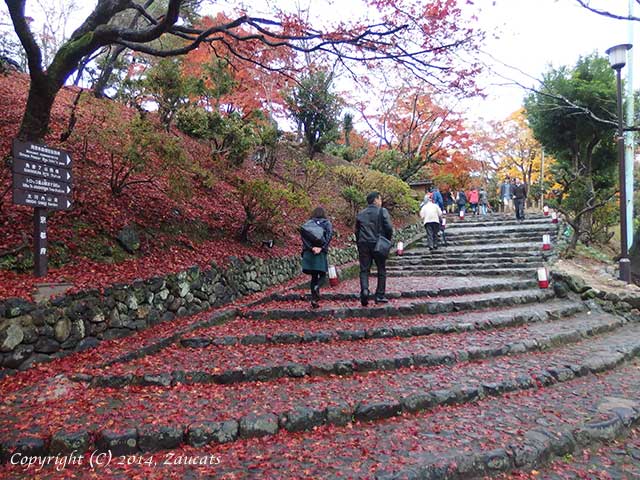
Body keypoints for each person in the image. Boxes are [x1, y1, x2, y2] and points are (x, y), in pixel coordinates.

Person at [355, 191, 393, 306]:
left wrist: (359, 242)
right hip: (378, 243)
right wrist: (387, 240)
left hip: (364, 244)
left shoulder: (360, 214)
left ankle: (365, 291)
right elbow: (389, 228)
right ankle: (380, 295)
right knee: (381, 269)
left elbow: (357, 231)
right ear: (375, 200)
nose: (381, 202)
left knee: (364, 270)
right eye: (380, 199)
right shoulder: (382, 211)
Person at [300, 207, 333, 309]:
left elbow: (303, 237)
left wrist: (311, 248)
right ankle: (317, 288)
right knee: (322, 274)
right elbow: (329, 236)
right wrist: (322, 248)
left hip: (310, 252)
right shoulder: (327, 223)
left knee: (314, 276)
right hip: (320, 253)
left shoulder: (308, 223)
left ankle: (314, 299)